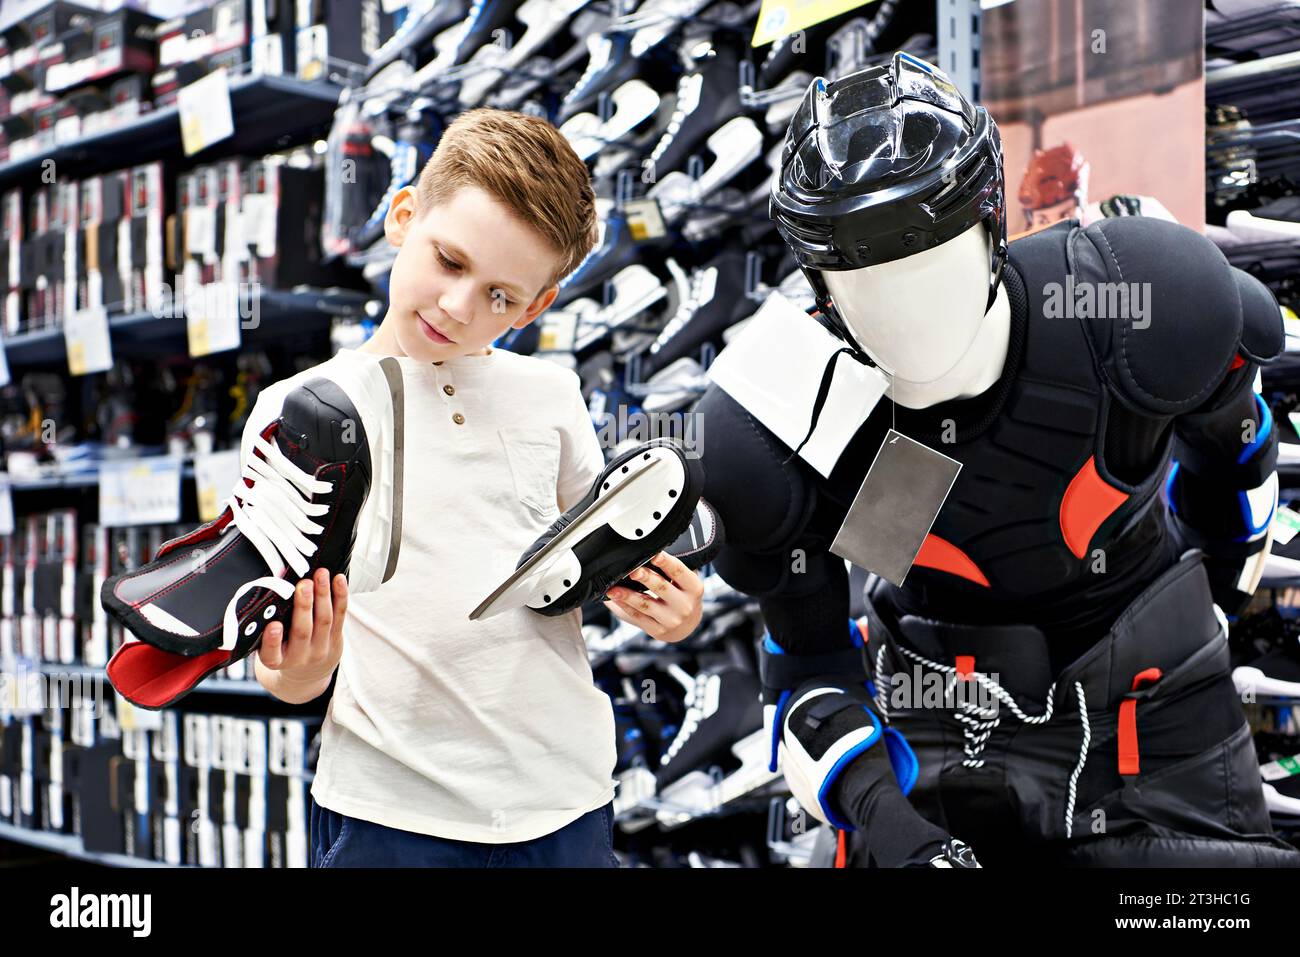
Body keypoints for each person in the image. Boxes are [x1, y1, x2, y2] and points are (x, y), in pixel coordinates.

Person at [695, 53, 1300, 867]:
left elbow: (1237, 448)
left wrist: (1222, 589)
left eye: (923, 261)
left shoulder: (1132, 304)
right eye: (867, 276)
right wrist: (893, 828)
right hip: (944, 728)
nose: (905, 309)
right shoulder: (773, 424)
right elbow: (805, 672)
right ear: (821, 288)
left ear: (989, 232)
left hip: (1154, 710)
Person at [248, 108, 707, 867]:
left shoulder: (552, 396)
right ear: (402, 217)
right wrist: (300, 667)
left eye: (500, 296)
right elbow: (281, 671)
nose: (460, 307)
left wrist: (673, 611)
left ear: (536, 307)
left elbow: (596, 560)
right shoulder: (297, 412)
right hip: (389, 815)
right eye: (450, 262)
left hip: (565, 803)